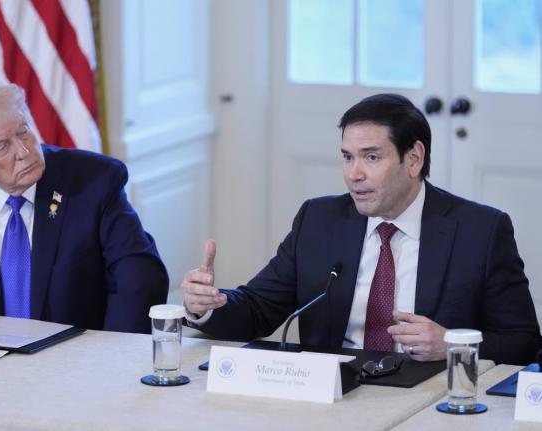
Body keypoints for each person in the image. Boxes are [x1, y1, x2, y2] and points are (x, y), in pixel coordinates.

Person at [182, 93, 542, 365]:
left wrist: (453, 343)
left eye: (371, 157)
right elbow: (259, 309)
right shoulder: (318, 220)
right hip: (330, 394)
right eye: (347, 157)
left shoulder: (480, 230)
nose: (354, 174)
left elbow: (523, 341)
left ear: (413, 158)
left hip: (428, 399)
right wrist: (211, 305)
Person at [0, 82, 169, 333]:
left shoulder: (95, 182)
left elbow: (140, 280)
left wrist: (110, 356)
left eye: (23, 131)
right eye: (2, 147)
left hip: (78, 360)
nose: (23, 151)